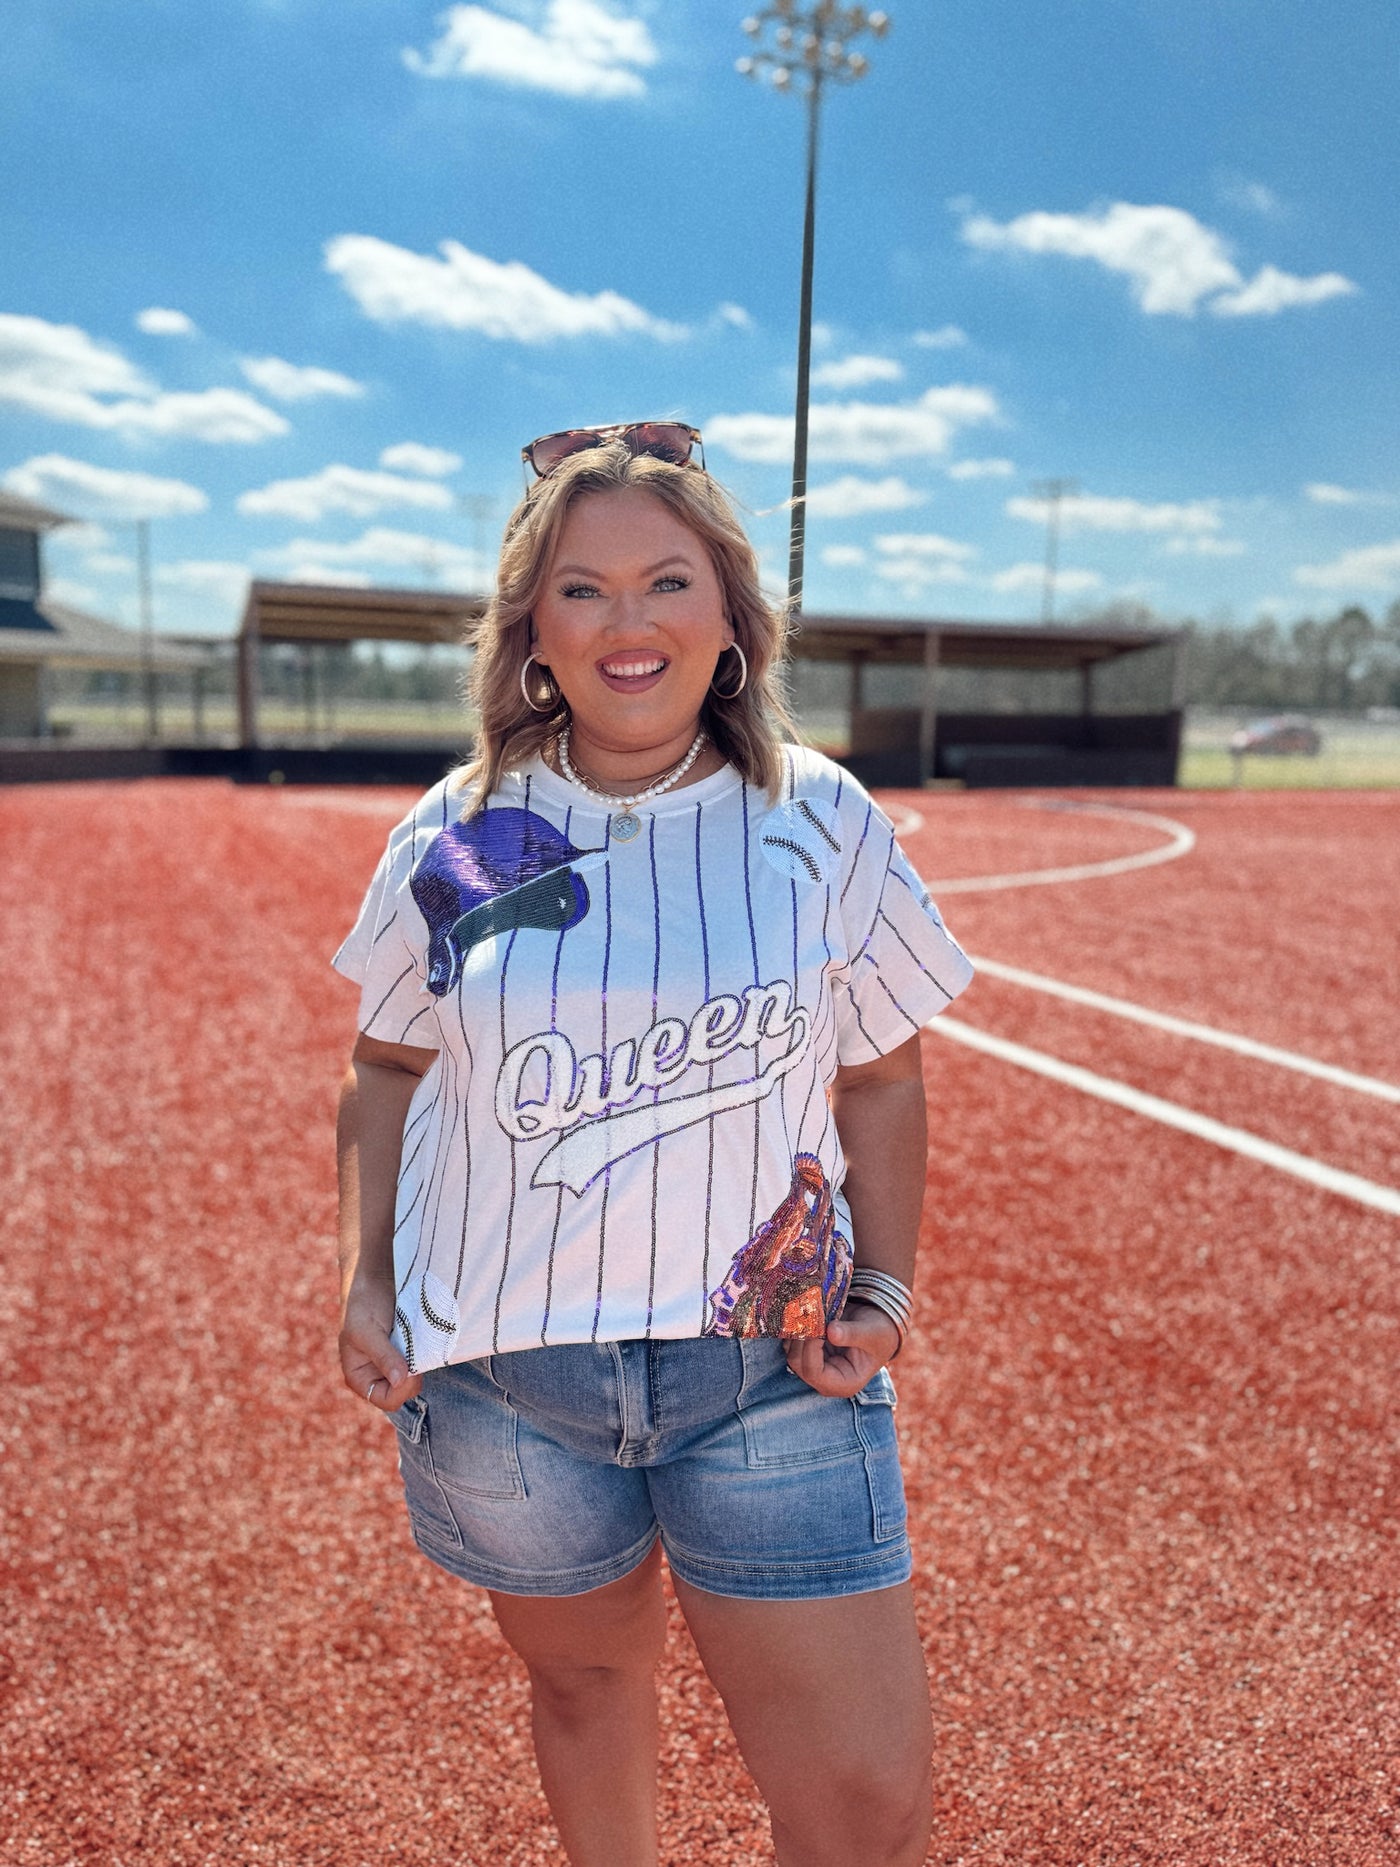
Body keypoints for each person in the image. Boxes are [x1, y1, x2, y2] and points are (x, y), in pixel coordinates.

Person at [333, 420, 974, 1867]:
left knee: (867, 1807)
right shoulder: (480, 832)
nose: (629, 623)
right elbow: (381, 1066)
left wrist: (886, 1289)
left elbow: (881, 1073)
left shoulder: (810, 820)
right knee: (587, 1689)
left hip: (773, 1366)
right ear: (532, 634)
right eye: (583, 588)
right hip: (506, 1382)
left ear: (734, 620)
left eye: (668, 581)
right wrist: (362, 1281)